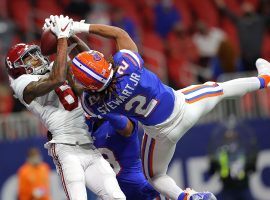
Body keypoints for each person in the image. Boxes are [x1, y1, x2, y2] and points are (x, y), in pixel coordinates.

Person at [62, 17, 270, 200]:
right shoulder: (127, 64)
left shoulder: (94, 102)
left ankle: (187, 197)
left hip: (160, 135)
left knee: (155, 177)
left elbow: (87, 84)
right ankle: (264, 80)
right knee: (220, 89)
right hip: (184, 107)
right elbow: (119, 33)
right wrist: (77, 27)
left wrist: (63, 41)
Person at [6, 15, 125, 200]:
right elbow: (57, 79)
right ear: (17, 68)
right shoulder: (22, 83)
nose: (36, 59)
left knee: (116, 196)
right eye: (28, 59)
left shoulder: (55, 65)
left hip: (88, 144)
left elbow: (89, 64)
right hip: (65, 147)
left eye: (35, 54)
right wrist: (61, 38)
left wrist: (71, 35)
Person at [86, 114, 160, 200]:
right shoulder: (86, 126)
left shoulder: (120, 117)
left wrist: (102, 110)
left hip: (139, 190)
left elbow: (126, 128)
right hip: (110, 192)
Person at [208, 123, 258, 200]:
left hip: (243, 187)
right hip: (228, 188)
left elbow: (253, 168)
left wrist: (250, 165)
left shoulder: (243, 151)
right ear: (224, 140)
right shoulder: (220, 153)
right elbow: (212, 170)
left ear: (237, 138)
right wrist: (214, 165)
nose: (231, 141)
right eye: (228, 138)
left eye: (233, 138)